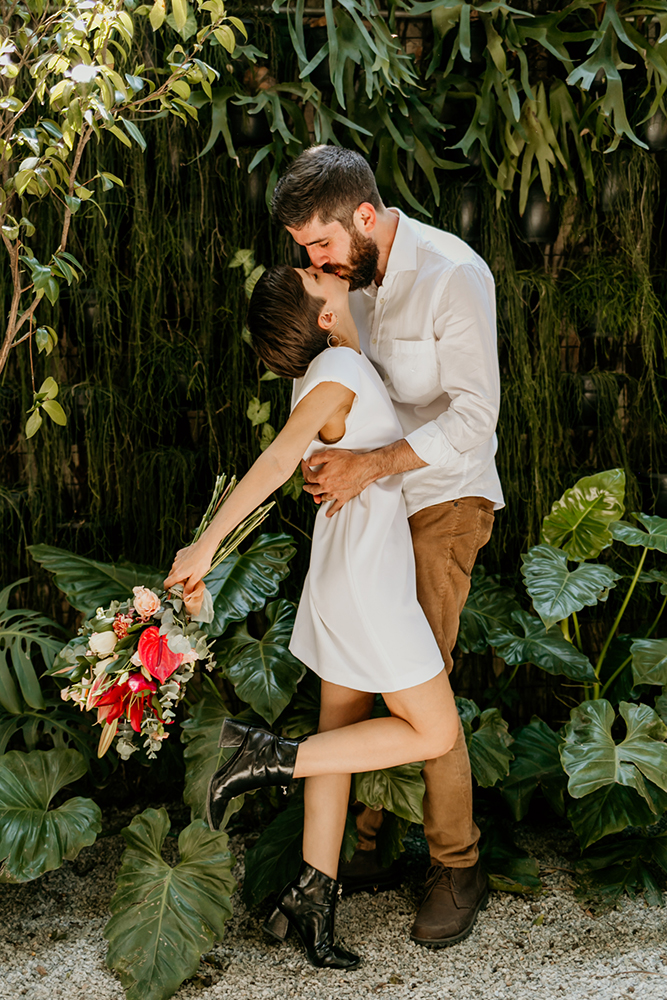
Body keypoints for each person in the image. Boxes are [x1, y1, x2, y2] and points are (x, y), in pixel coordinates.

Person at [164, 263, 460, 970]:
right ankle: (262, 756)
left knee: (340, 735)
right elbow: (274, 462)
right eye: (313, 274)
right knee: (435, 729)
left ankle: (310, 898)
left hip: (341, 577)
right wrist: (204, 545)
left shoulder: (334, 369)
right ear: (323, 316)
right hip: (367, 586)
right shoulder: (339, 370)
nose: (321, 268)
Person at [270, 145, 504, 948]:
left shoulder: (451, 274)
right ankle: (365, 846)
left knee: (419, 678)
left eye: (320, 246)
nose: (313, 262)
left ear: (363, 217)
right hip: (371, 505)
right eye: (305, 251)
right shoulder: (347, 280)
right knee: (360, 680)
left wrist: (370, 462)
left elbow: (475, 418)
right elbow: (354, 389)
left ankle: (455, 861)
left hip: (443, 497)